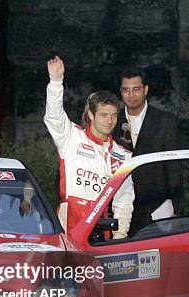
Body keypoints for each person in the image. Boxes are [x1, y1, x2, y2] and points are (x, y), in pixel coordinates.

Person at [112, 68, 183, 297]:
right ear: (121, 92)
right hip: (122, 211)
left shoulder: (165, 121)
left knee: (156, 278)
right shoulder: (113, 120)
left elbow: (175, 168)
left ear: (146, 90)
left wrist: (173, 208)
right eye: (126, 90)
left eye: (136, 89)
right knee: (122, 278)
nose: (131, 95)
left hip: (157, 210)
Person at [43, 56, 134, 238]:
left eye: (114, 115)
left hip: (101, 227)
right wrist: (56, 82)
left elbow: (124, 199)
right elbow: (54, 116)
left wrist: (120, 234)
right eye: (103, 115)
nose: (110, 121)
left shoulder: (123, 155)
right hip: (68, 224)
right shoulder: (71, 137)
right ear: (91, 115)